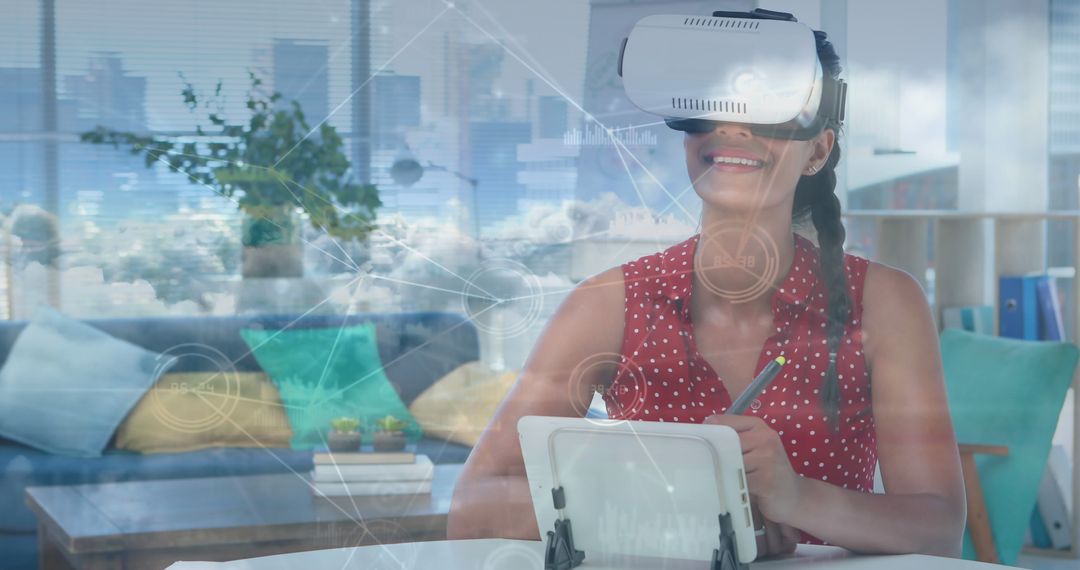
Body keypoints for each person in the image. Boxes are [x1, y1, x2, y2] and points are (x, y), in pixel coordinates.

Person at [447, 25, 966, 559]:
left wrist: (799, 499)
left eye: (769, 108)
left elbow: (939, 527)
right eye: (714, 104)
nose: (732, 128)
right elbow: (472, 510)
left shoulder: (883, 304)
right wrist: (670, 504)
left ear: (818, 149)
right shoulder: (607, 304)